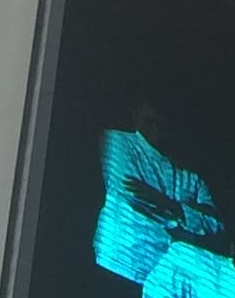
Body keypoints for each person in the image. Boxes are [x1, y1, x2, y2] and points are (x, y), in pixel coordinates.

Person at [94, 103, 222, 286]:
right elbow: (132, 196)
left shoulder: (192, 175)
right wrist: (187, 216)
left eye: (162, 124)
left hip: (166, 277)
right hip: (121, 259)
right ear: (135, 117)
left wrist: (166, 203)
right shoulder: (118, 141)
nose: (156, 129)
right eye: (149, 121)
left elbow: (215, 225)